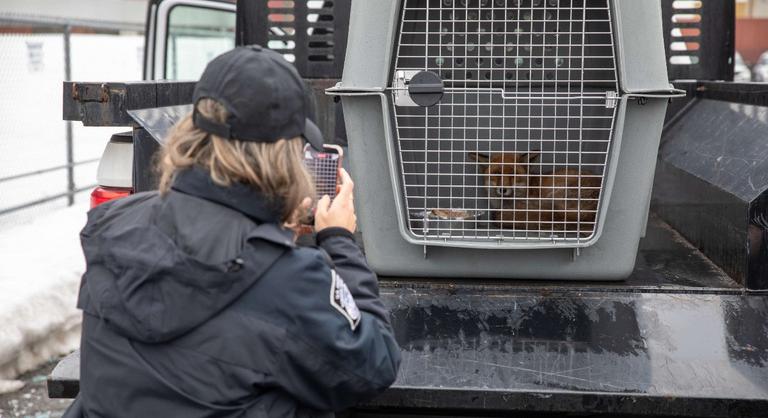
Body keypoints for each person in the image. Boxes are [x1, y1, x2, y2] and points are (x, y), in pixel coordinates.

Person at [63, 45, 401, 418]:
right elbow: (375, 363)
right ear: (287, 157)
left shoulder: (112, 226)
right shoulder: (288, 278)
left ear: (191, 132)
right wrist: (339, 241)